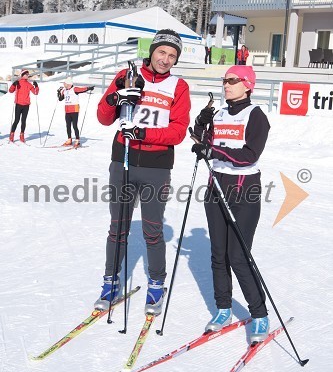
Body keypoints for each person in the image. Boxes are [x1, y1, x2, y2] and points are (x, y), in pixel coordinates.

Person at [95, 29, 191, 315]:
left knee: (152, 229)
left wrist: (142, 132)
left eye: (172, 56)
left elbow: (178, 132)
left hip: (156, 166)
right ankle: (110, 282)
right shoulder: (128, 75)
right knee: (118, 227)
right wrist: (115, 98)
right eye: (162, 52)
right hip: (122, 160)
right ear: (152, 51)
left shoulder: (178, 85)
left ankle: (156, 285)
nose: (165, 59)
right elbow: (103, 118)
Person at [191, 65, 270, 343]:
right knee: (218, 255)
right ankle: (223, 308)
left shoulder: (256, 115)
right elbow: (202, 141)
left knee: (238, 256)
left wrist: (212, 150)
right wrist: (201, 123)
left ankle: (259, 314)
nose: (226, 85)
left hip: (244, 192)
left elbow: (249, 154)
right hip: (216, 189)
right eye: (224, 80)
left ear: (247, 84)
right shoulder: (220, 113)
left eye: (232, 80)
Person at [57, 78, 94, 147]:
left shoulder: (74, 89)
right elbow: (60, 99)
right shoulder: (64, 90)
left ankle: (77, 140)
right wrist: (59, 93)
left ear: (69, 84)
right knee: (68, 125)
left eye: (65, 83)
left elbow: (82, 90)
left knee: (74, 125)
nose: (63, 84)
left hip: (74, 110)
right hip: (67, 110)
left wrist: (89, 88)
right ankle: (69, 139)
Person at [9, 69, 39, 143]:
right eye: (26, 74)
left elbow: (35, 92)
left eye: (28, 74)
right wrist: (13, 84)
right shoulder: (18, 83)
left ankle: (22, 135)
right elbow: (10, 91)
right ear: (22, 75)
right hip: (19, 104)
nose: (27, 75)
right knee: (16, 120)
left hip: (26, 105)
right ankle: (12, 134)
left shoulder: (29, 84)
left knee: (23, 121)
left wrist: (36, 86)